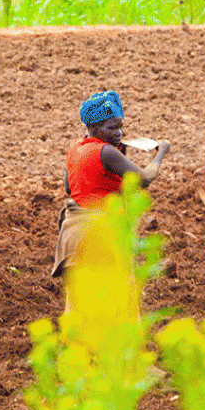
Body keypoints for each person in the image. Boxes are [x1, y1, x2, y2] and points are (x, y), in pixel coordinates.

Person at [51, 90, 171, 288]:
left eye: (121, 127)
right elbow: (145, 178)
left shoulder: (75, 148)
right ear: (94, 127)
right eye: (112, 128)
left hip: (73, 232)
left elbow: (69, 187)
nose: (119, 133)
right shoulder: (106, 152)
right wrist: (162, 152)